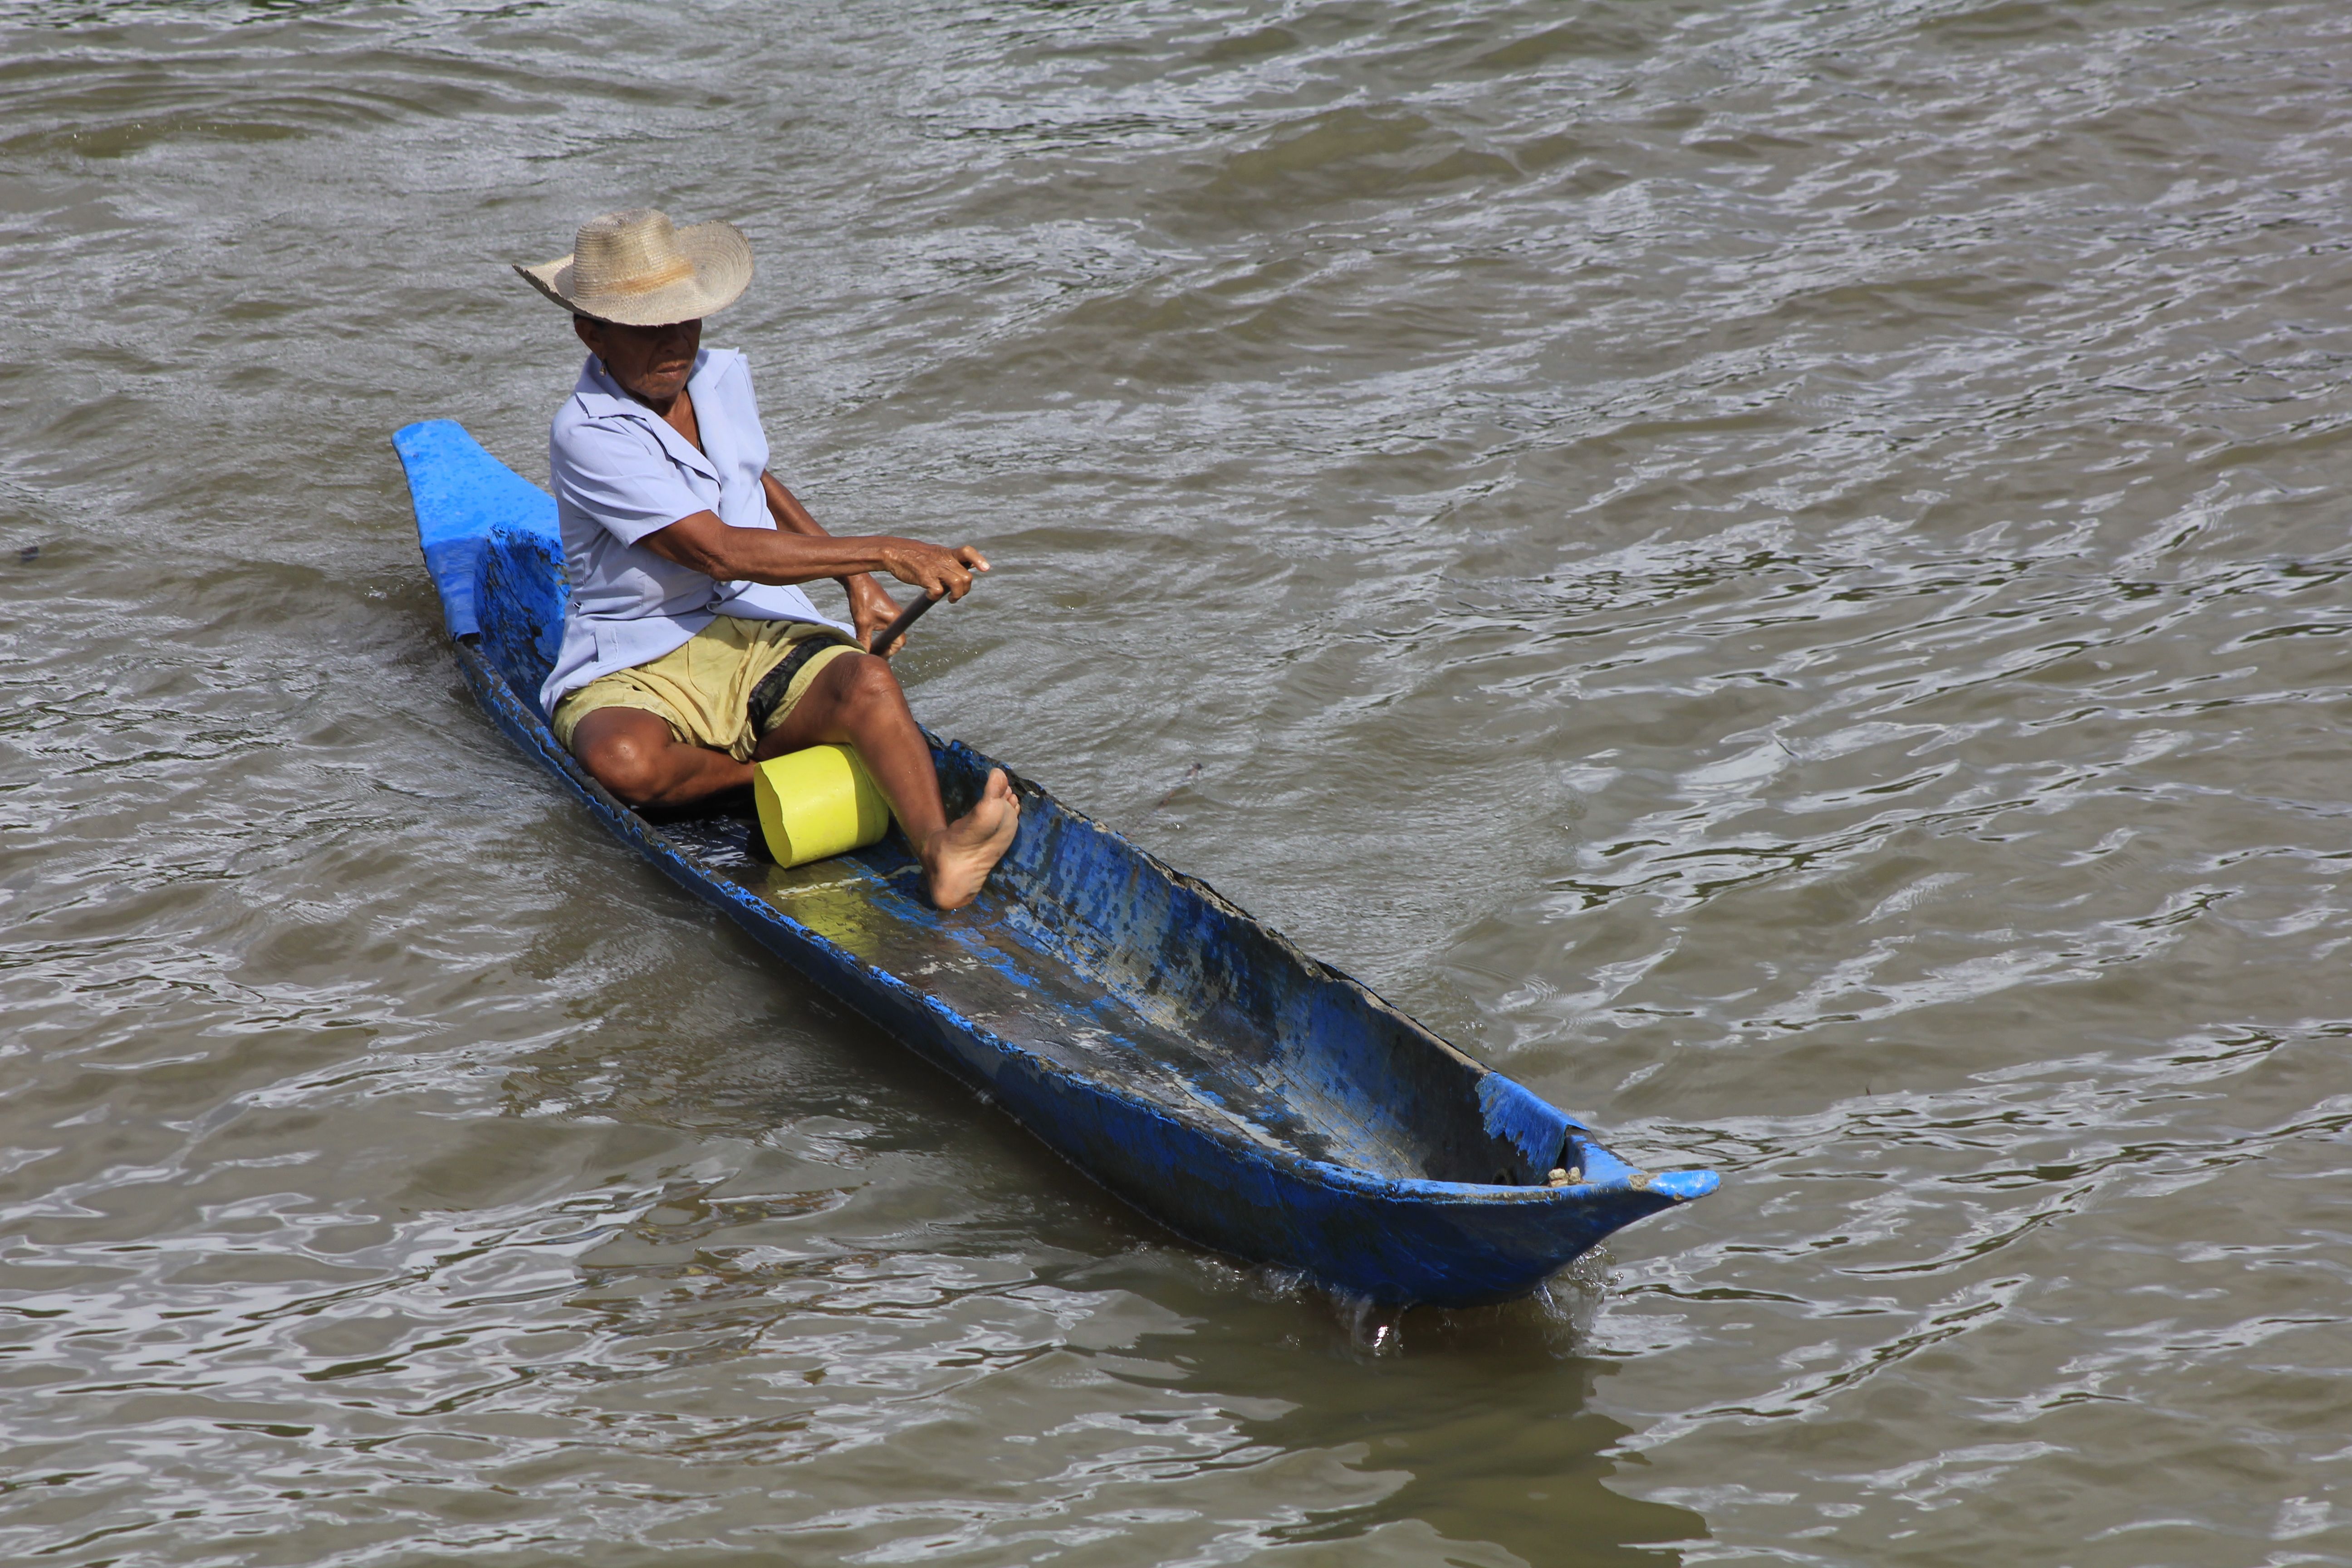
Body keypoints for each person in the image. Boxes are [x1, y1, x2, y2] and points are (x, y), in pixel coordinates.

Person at [514, 207, 1018, 910]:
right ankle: (761, 772)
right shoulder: (587, 433)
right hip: (638, 655)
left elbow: (751, 479)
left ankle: (942, 852)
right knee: (622, 763)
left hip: (755, 628)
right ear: (591, 332)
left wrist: (857, 579)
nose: (673, 344)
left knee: (868, 682)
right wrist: (884, 548)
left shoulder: (720, 379)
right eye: (647, 328)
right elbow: (714, 552)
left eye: (685, 322)